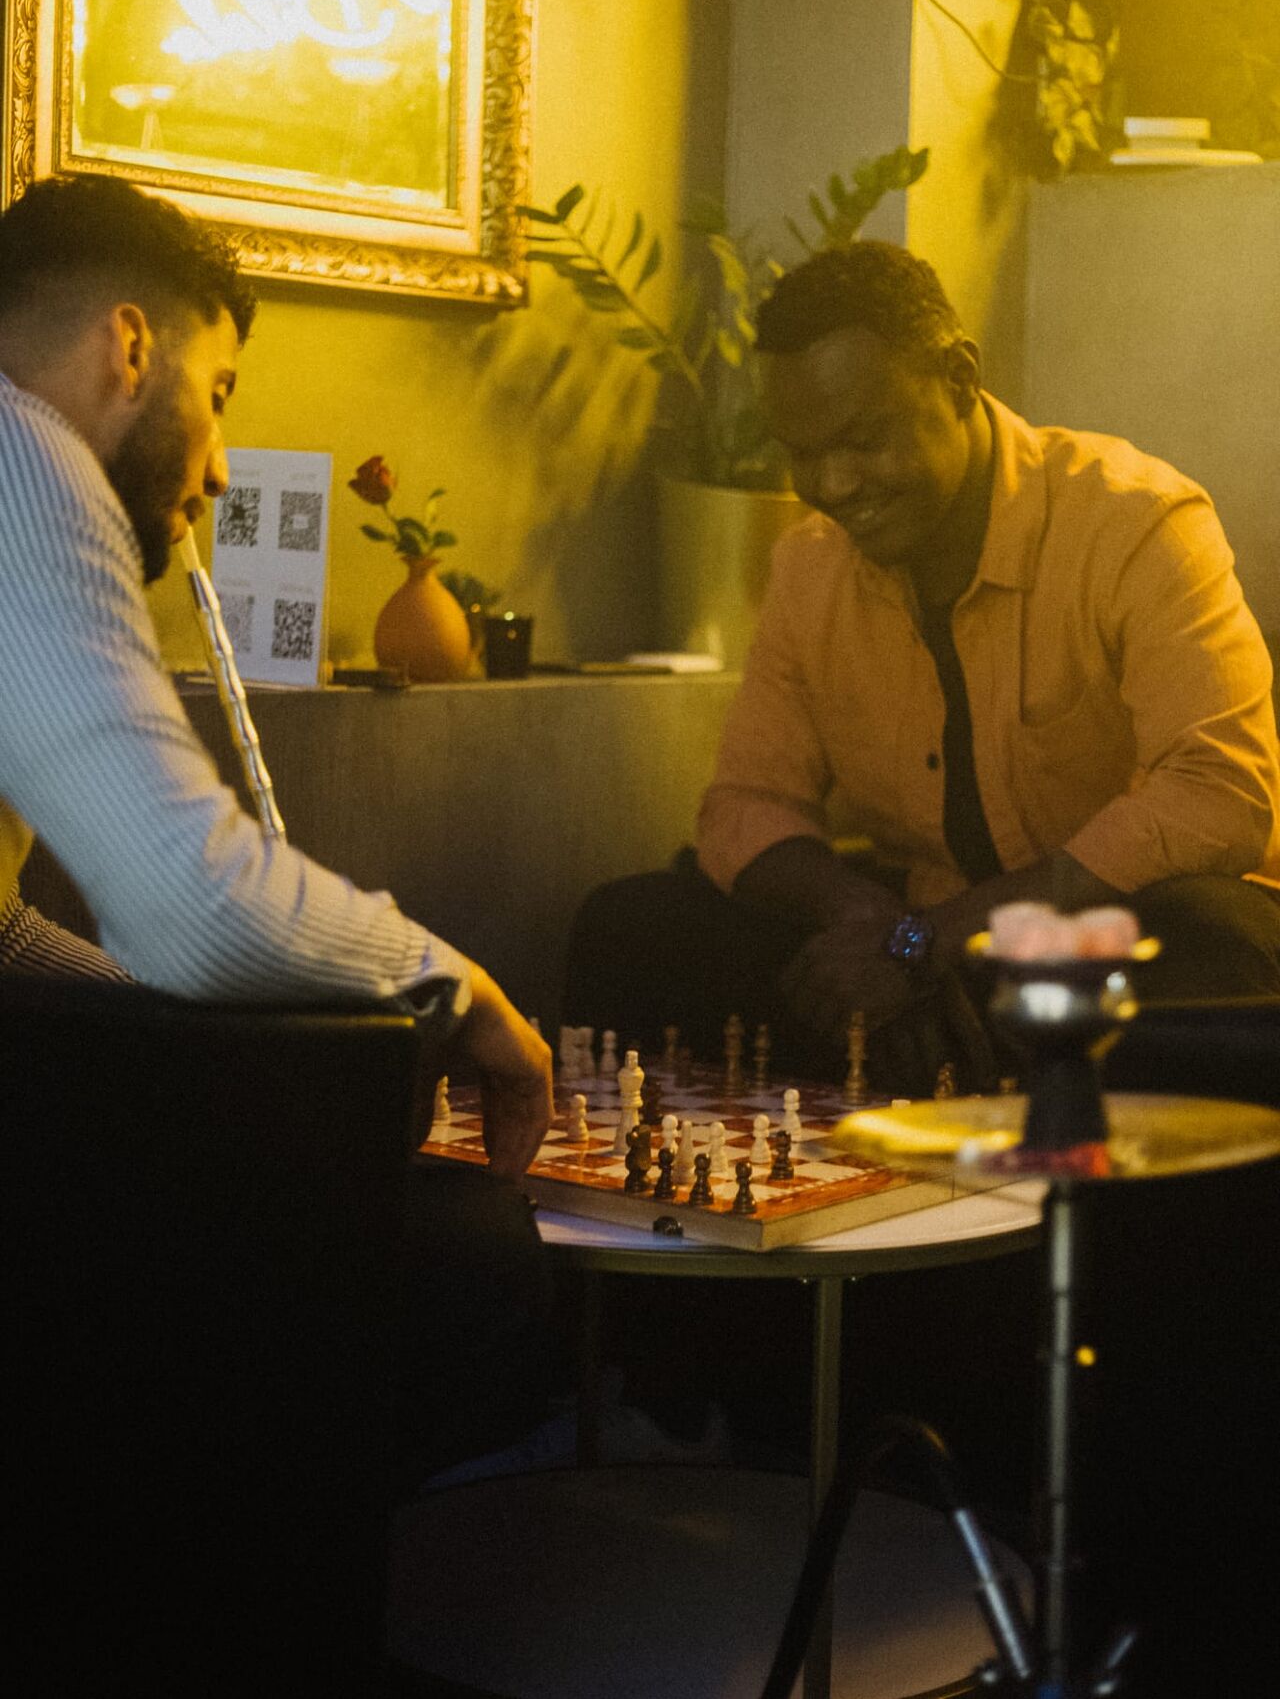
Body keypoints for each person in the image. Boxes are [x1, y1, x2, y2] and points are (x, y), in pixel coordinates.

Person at [0, 173, 553, 1477]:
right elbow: (188, 903)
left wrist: (231, 1056)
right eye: (222, 393)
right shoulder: (26, 454)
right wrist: (454, 983)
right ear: (130, 348)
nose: (218, 466)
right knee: (465, 1253)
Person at [565, 240, 1280, 1091]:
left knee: (1210, 941)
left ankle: (971, 1087)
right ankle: (914, 1075)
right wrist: (864, 919)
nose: (833, 483)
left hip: (1095, 928)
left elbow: (1219, 794)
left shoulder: (1136, 524)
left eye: (865, 439)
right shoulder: (811, 566)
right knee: (632, 923)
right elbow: (746, 806)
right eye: (803, 452)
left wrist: (932, 940)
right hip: (919, 929)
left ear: (960, 379)